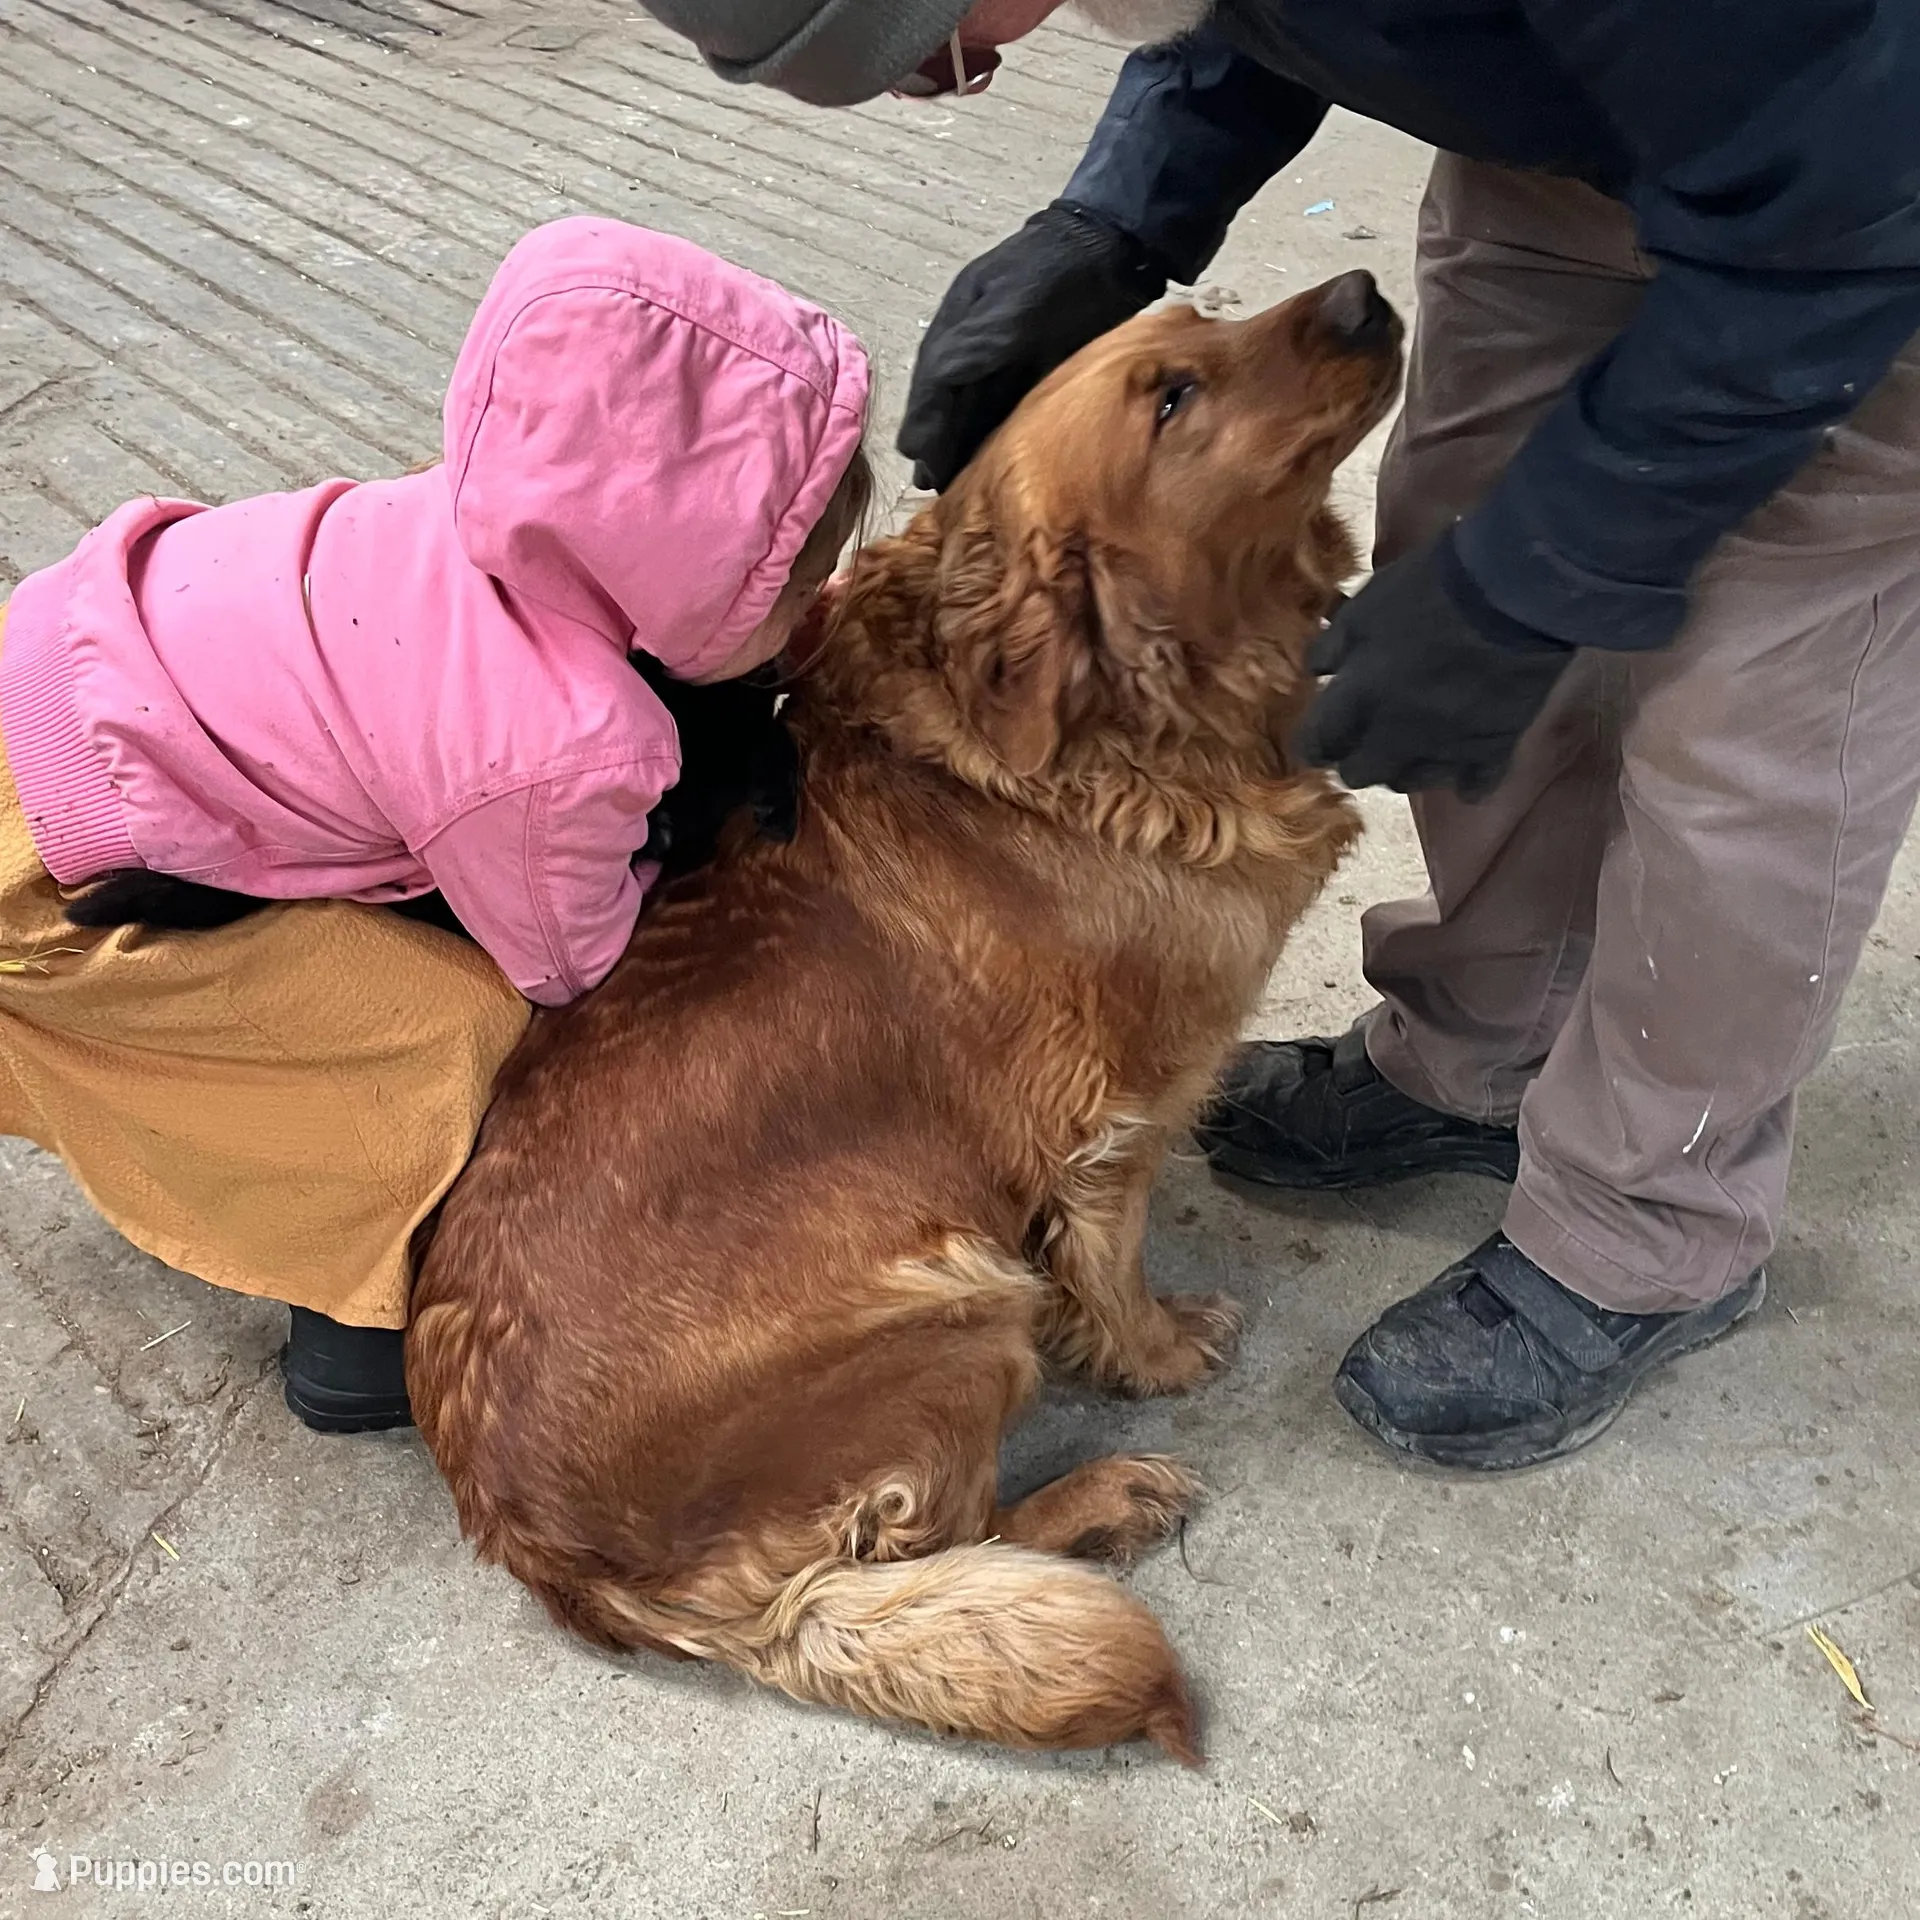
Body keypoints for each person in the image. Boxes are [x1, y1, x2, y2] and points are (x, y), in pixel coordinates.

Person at [638, 0, 1920, 1468]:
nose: (953, 79)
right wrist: (1123, 207)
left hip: (1866, 202)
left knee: (1748, 717)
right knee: (1456, 533)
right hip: (1576, 136)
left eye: (935, 41)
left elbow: (1840, 196)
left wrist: (1527, 590)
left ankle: (1654, 1223)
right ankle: (1480, 1055)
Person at [0, 216, 871, 1435]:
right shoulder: (565, 744)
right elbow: (571, 958)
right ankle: (356, 1332)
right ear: (670, 574)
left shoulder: (483, 516)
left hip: (68, 674)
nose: (800, 609)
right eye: (778, 588)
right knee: (447, 1030)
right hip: (56, 880)